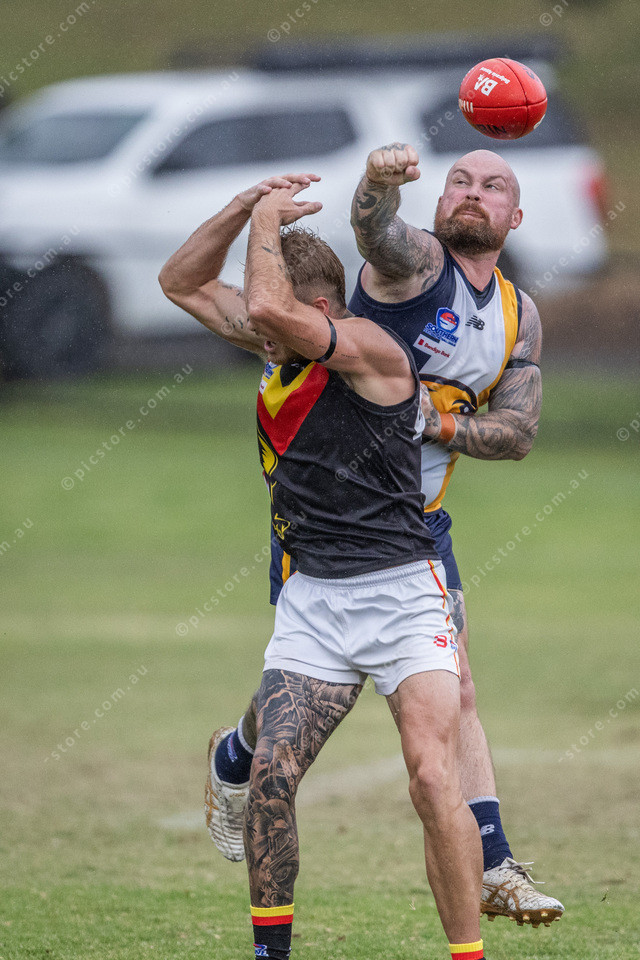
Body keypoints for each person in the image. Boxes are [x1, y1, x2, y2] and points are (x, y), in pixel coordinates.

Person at [202, 146, 564, 929]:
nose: (472, 194)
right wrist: (375, 182)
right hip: (330, 521)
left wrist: (438, 422)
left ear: (516, 216)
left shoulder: (518, 314)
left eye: (492, 186)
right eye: (459, 181)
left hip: (418, 526)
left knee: (459, 687)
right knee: (293, 698)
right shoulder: (416, 264)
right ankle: (236, 754)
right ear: (438, 202)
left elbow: (519, 432)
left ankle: (494, 863)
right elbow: (374, 232)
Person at [160, 172, 487, 960]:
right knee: (272, 774)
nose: (255, 333)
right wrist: (242, 207)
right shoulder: (283, 340)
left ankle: (468, 953)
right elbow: (180, 282)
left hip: (404, 594)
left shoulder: (371, 349)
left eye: (271, 318)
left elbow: (268, 310)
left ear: (318, 310)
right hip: (316, 599)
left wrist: (266, 226)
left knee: (431, 777)